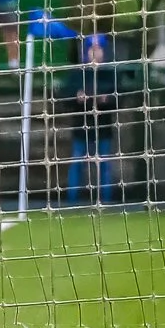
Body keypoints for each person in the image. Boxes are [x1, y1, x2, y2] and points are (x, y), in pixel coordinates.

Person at [65, 34, 122, 205]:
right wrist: (77, 97)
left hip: (103, 129)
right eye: (92, 49)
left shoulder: (110, 74)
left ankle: (105, 201)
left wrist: (107, 99)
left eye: (98, 49)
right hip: (81, 129)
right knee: (76, 164)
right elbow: (64, 96)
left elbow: (120, 97)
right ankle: (71, 202)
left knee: (104, 166)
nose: (95, 53)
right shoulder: (77, 74)